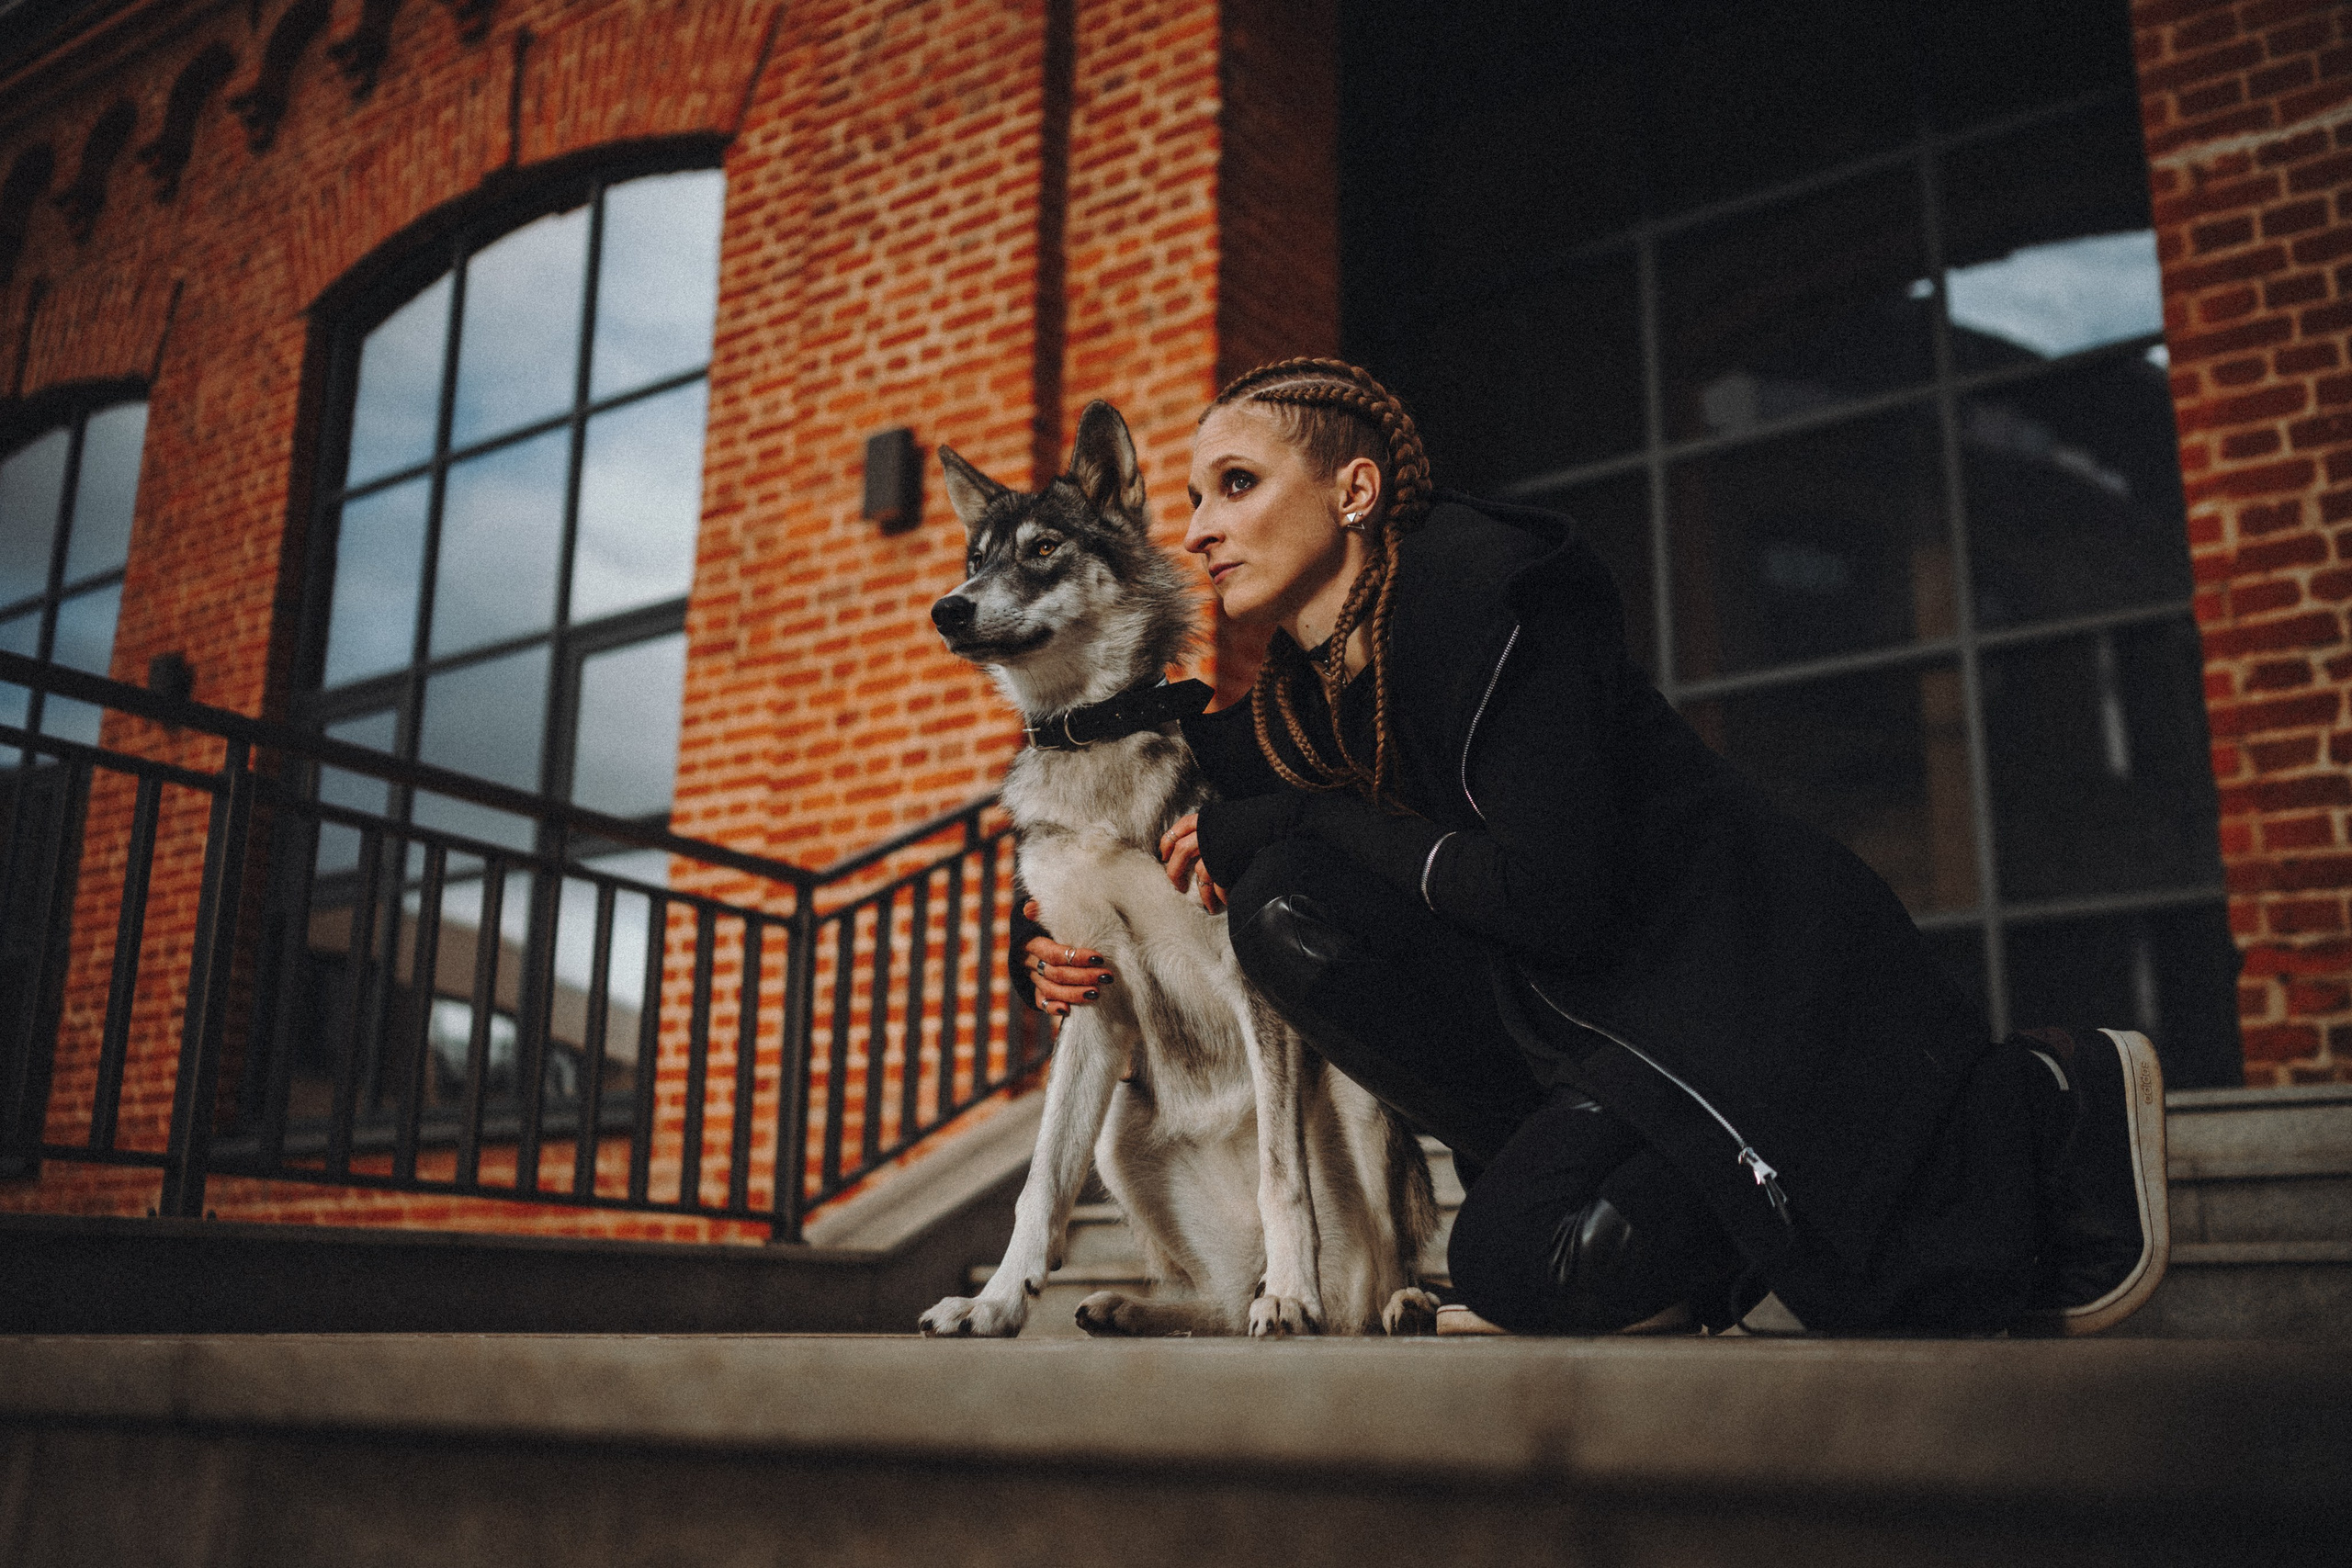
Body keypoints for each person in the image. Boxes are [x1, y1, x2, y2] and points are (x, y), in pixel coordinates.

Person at [1012, 357, 2167, 1337]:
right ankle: (1666, 1226)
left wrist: (1308, 817)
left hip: (1737, 987)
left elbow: (1553, 895)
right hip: (1585, 1036)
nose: (1200, 528)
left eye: (1236, 485)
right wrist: (1063, 950)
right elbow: (1136, 800)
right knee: (1285, 911)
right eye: (1196, 497)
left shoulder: (1504, 603)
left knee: (1522, 1260)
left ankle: (2054, 1099)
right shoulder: (1306, 702)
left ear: (1353, 490)